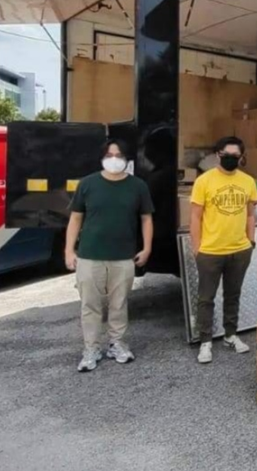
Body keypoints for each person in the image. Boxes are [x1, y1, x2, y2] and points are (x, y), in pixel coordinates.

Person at [65, 139, 154, 372]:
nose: (114, 159)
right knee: (90, 305)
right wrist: (69, 250)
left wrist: (147, 248)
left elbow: (146, 219)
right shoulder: (87, 184)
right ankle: (91, 348)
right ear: (102, 157)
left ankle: (117, 344)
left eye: (119, 155)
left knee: (119, 303)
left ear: (127, 159)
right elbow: (75, 218)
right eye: (110, 154)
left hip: (123, 256)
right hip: (89, 255)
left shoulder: (138, 186)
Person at [191, 136, 257, 364]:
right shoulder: (204, 181)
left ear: (241, 157)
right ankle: (206, 341)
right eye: (225, 155)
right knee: (206, 298)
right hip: (210, 250)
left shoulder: (248, 181)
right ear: (217, 154)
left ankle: (231, 335)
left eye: (235, 156)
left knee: (233, 295)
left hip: (240, 249)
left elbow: (250, 214)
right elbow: (195, 216)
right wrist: (196, 247)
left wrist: (251, 241)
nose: (230, 159)